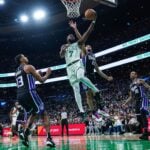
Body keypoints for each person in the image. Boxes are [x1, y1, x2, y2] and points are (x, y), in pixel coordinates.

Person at [60, 16, 103, 114]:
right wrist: (63, 50)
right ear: (67, 39)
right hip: (69, 68)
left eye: (72, 35)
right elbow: (61, 55)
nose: (70, 36)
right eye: (69, 35)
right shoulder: (64, 46)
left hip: (77, 63)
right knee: (76, 89)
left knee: (80, 77)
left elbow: (86, 34)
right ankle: (81, 110)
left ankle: (95, 89)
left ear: (73, 38)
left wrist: (76, 28)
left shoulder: (78, 44)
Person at [69, 20, 113, 111]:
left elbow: (98, 70)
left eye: (90, 47)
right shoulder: (84, 53)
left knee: (96, 93)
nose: (89, 47)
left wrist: (107, 77)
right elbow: (82, 40)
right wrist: (75, 28)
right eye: (87, 46)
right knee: (89, 95)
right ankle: (94, 112)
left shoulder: (93, 57)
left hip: (92, 75)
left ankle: (100, 109)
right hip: (85, 76)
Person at [15, 54, 55, 147]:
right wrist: (48, 73)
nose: (26, 57)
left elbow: (28, 81)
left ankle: (25, 134)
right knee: (44, 113)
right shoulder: (29, 67)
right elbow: (42, 80)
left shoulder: (16, 72)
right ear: (21, 59)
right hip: (29, 93)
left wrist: (37, 74)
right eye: (24, 56)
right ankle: (49, 139)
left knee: (34, 113)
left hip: (20, 96)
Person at [123, 71, 150, 140]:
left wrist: (143, 83)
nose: (131, 74)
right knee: (139, 118)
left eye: (132, 73)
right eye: (130, 73)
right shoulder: (131, 85)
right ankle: (145, 132)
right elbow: (131, 97)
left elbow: (148, 87)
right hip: (137, 102)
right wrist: (125, 103)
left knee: (143, 113)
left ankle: (146, 133)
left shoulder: (140, 80)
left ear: (136, 75)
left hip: (143, 99)